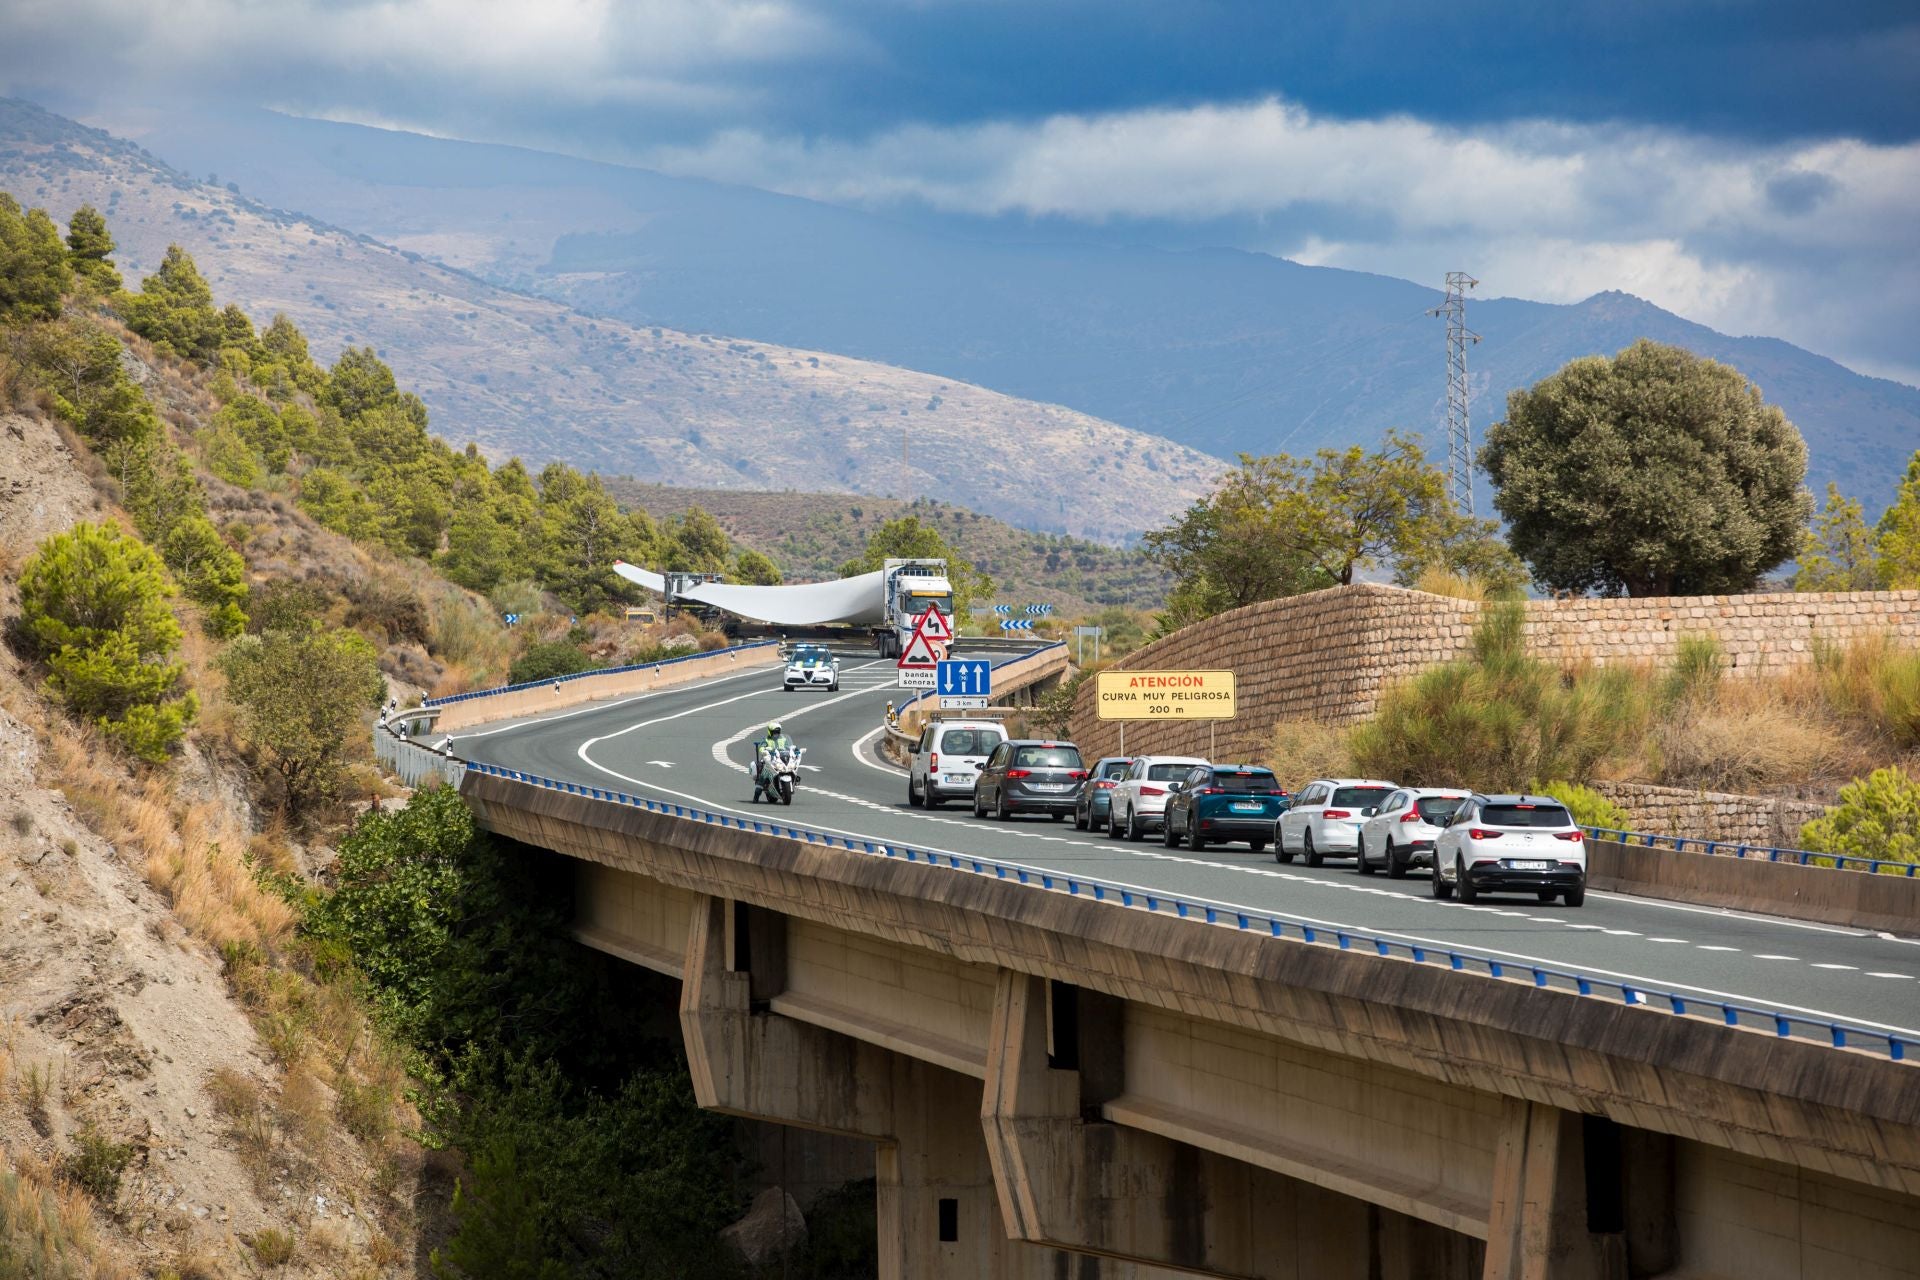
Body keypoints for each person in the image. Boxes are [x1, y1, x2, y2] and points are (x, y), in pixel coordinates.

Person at [754, 720, 795, 799]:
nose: (776, 734)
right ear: (770, 731)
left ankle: (793, 780)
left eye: (777, 732)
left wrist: (795, 750)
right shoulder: (766, 739)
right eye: (774, 732)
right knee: (763, 774)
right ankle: (756, 795)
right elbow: (761, 747)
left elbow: (789, 746)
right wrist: (764, 750)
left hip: (780, 758)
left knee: (792, 766)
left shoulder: (783, 738)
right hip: (769, 759)